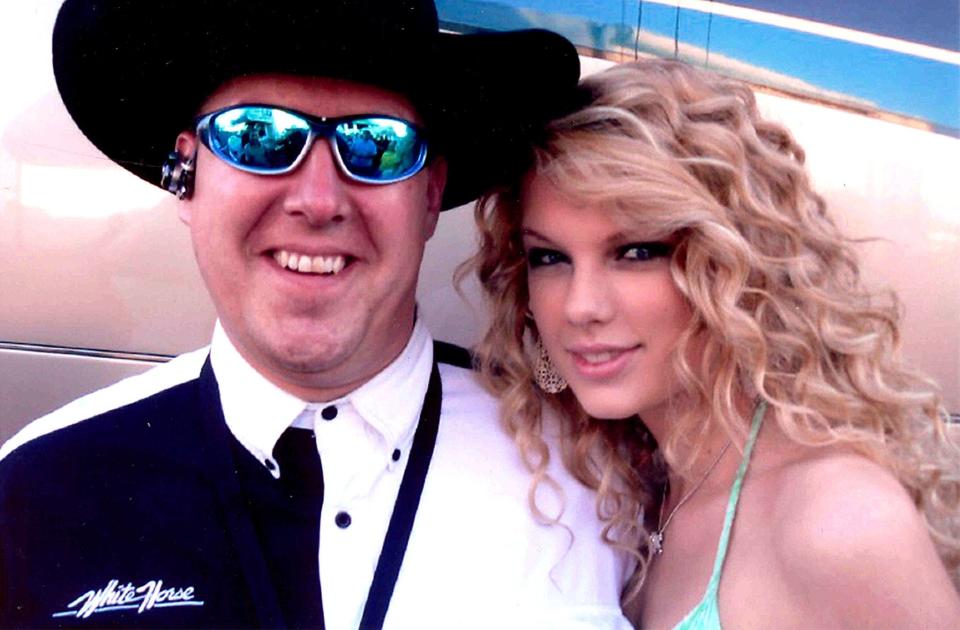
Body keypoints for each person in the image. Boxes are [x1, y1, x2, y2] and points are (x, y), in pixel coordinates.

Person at [0, 1, 633, 628]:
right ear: (187, 174)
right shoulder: (36, 491)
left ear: (431, 193)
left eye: (376, 145)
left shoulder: (597, 479)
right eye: (260, 137)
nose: (319, 200)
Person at [468, 59, 960, 628]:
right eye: (550, 258)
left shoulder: (836, 519)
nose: (580, 307)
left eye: (635, 252)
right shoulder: (629, 485)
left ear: (732, 265)